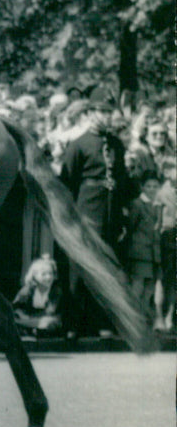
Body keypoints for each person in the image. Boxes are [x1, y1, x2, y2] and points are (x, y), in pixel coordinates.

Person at [59, 85, 135, 339]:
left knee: (107, 270)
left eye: (109, 111)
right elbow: (66, 182)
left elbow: (122, 180)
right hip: (86, 213)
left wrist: (122, 213)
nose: (106, 116)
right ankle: (73, 324)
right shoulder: (78, 145)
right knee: (80, 268)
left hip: (111, 215)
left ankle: (101, 321)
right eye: (101, 111)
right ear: (90, 113)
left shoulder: (116, 145)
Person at [123, 171, 162, 326]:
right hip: (140, 252)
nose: (152, 189)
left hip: (154, 253)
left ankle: (142, 320)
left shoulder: (158, 205)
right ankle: (130, 321)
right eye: (148, 186)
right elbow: (131, 227)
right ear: (142, 187)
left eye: (155, 186)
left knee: (149, 289)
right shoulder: (137, 204)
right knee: (137, 287)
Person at [12, 254, 63, 336]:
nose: (48, 277)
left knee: (48, 322)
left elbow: (50, 311)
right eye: (44, 274)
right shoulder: (27, 290)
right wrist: (20, 313)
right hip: (28, 321)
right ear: (34, 276)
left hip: (49, 321)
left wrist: (28, 319)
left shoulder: (56, 291)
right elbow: (15, 307)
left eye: (51, 274)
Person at [154, 157, 176, 332]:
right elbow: (157, 221)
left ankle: (170, 317)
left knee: (174, 280)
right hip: (166, 237)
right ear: (168, 172)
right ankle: (159, 317)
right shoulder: (162, 193)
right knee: (162, 278)